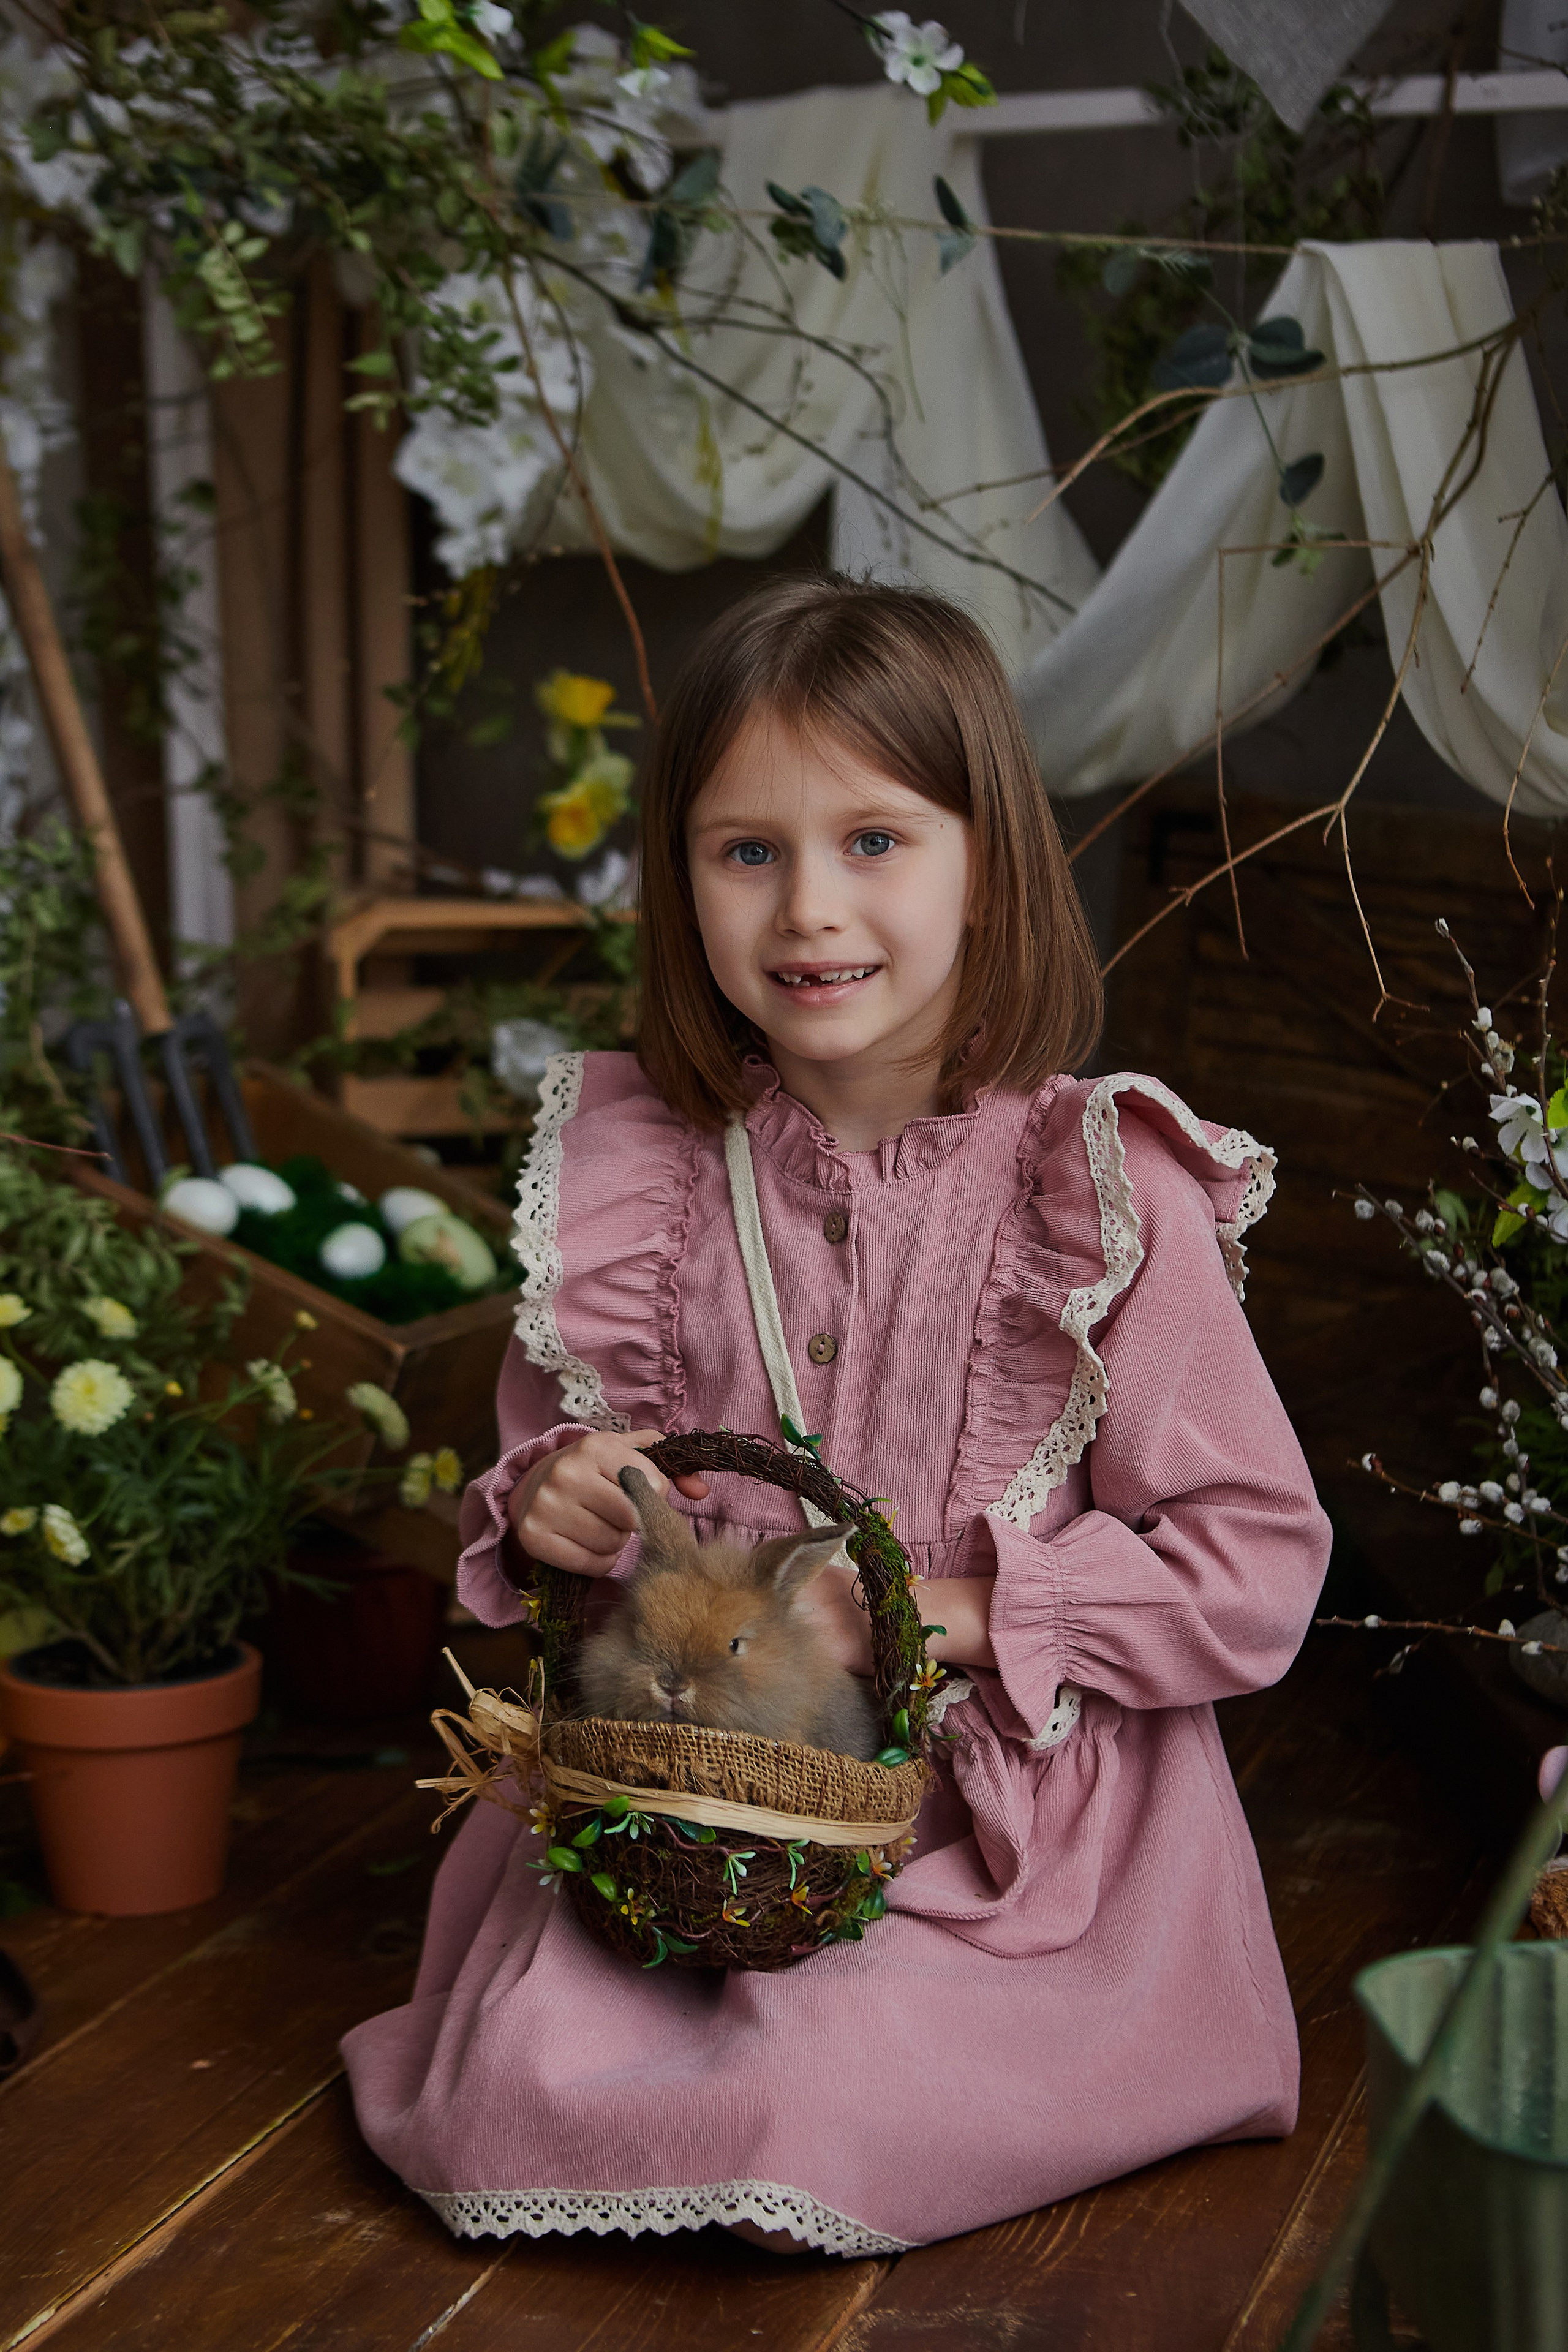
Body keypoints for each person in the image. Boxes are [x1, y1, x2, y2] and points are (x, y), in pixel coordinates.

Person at [343, 575, 1332, 2257]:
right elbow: (534, 1477)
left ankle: (918, 2070)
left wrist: (963, 1611)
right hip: (702, 1802)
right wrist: (560, 1504)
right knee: (527, 2064)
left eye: (875, 841)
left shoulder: (1096, 1182)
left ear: (988, 867)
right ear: (684, 881)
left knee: (814, 2085)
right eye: (748, 852)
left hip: (1016, 1843)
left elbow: (1255, 1567)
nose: (808, 910)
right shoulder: (639, 1170)